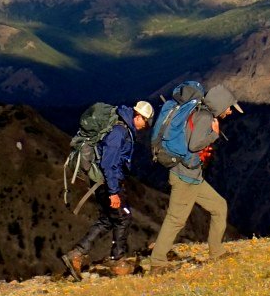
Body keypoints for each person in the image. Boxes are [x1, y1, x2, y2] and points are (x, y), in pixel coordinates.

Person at [145, 83, 242, 272]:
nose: (230, 112)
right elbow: (194, 145)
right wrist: (214, 135)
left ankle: (217, 253)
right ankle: (157, 262)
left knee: (219, 206)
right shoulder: (205, 117)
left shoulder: (200, 112)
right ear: (221, 104)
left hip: (192, 176)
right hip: (185, 178)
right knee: (176, 219)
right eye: (229, 108)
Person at [61, 100, 155, 280]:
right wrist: (113, 192)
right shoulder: (119, 132)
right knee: (123, 217)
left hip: (102, 181)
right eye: (146, 121)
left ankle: (77, 255)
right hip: (108, 183)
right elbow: (109, 163)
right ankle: (117, 261)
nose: (146, 126)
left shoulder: (121, 127)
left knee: (107, 219)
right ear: (138, 116)